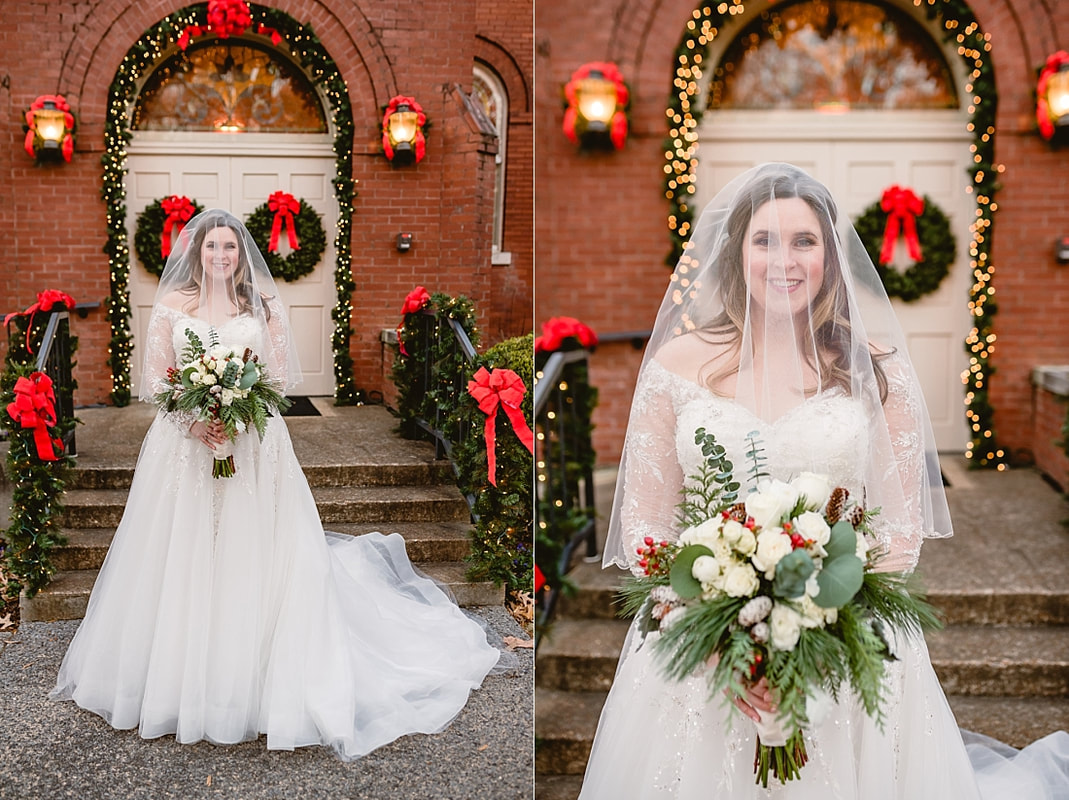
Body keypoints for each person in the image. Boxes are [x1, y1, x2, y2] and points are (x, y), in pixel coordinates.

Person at [578, 164, 1069, 798]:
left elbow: (897, 534)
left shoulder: (877, 371)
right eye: (765, 240)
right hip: (698, 647)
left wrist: (816, 641)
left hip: (847, 644)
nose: (785, 259)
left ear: (831, 257)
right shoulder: (676, 364)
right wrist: (717, 639)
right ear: (736, 251)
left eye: (805, 241)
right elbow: (646, 526)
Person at [51, 209, 501, 758]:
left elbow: (279, 379)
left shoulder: (261, 307)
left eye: (230, 248)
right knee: (184, 552)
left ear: (241, 255)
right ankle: (180, 676)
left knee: (256, 551)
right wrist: (196, 421)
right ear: (196, 252)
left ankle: (257, 674)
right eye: (212, 246)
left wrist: (239, 413)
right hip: (184, 450)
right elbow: (156, 381)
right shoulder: (171, 307)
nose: (221, 255)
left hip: (255, 446)